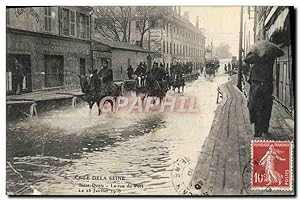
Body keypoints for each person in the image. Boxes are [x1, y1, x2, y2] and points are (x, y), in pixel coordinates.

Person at [247, 56, 276, 137]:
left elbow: (250, 80)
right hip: (267, 92)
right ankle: (265, 129)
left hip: (256, 92)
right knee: (267, 110)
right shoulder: (268, 67)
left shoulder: (254, 67)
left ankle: (258, 132)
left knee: (257, 111)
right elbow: (271, 80)